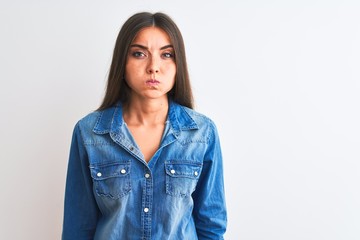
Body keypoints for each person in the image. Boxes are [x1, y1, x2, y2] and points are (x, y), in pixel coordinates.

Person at [62, 12, 227, 240]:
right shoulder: (90, 133)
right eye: (139, 54)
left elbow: (211, 225)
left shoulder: (202, 133)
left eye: (166, 54)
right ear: (123, 61)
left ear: (179, 63)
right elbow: (77, 228)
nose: (153, 67)